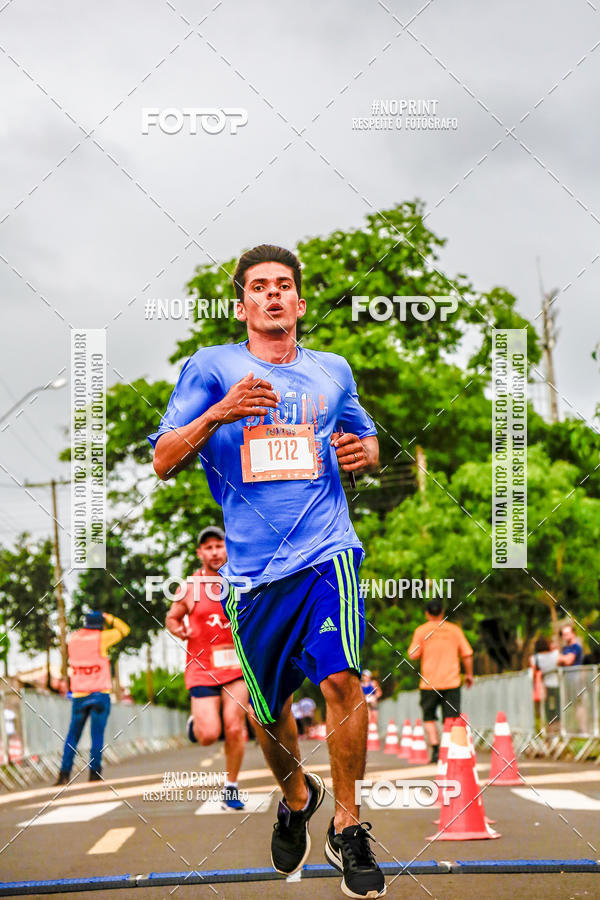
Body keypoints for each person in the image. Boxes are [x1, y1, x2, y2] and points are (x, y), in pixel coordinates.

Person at [150, 244, 385, 898]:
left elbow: (365, 439)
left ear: (300, 303)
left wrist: (360, 451)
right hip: (253, 578)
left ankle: (348, 822)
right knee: (268, 711)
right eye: (260, 287)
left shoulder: (333, 371)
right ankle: (295, 797)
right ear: (243, 305)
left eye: (284, 285)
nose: (273, 295)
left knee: (342, 679)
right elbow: (164, 458)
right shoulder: (212, 367)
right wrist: (221, 412)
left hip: (327, 551)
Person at [165, 526, 249, 811]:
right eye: (208, 547)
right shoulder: (189, 586)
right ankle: (198, 725)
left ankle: (232, 786)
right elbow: (172, 618)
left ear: (228, 547)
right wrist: (181, 630)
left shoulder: (242, 578)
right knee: (210, 735)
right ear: (200, 553)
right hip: (202, 668)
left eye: (219, 546)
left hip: (237, 668)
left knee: (235, 726)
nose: (215, 552)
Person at [55, 611, 130, 785]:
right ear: (101, 624)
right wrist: (110, 618)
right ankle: (94, 773)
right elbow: (125, 630)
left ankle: (64, 773)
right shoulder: (101, 637)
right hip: (99, 694)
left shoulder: (73, 638)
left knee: (72, 736)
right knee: (97, 735)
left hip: (80, 695)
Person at [408, 600, 473, 763]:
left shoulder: (421, 631)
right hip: (452, 682)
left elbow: (412, 655)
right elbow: (467, 654)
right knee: (451, 717)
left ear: (427, 613)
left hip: (428, 683)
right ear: (442, 612)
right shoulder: (454, 630)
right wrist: (470, 674)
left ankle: (436, 749)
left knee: (428, 717)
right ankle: (450, 750)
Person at [529, 636, 560, 730]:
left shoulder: (535, 658)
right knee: (557, 709)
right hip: (556, 685)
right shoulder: (555, 654)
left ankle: (549, 730)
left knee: (548, 711)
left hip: (544, 687)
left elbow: (534, 674)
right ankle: (558, 729)